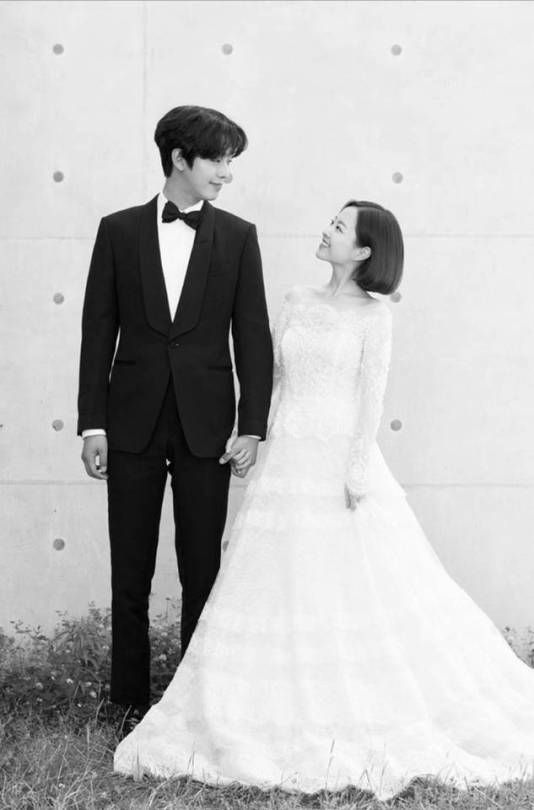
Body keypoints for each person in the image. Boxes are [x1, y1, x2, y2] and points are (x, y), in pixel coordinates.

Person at [114, 200, 534, 799]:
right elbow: (272, 379)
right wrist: (253, 436)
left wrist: (358, 468)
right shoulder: (295, 300)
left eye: (339, 227)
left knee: (343, 584)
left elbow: (371, 397)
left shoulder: (375, 316)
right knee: (274, 581)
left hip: (337, 461)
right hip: (285, 457)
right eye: (332, 221)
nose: (327, 230)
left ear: (363, 251)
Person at [77, 106, 273, 735]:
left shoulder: (238, 236)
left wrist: (252, 426)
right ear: (180, 159)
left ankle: (194, 707)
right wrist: (92, 424)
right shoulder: (118, 230)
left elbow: (253, 337)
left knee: (202, 572)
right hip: (129, 424)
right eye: (218, 159)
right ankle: (127, 704)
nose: (227, 173)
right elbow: (97, 331)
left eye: (231, 161)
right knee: (129, 572)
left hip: (207, 428)